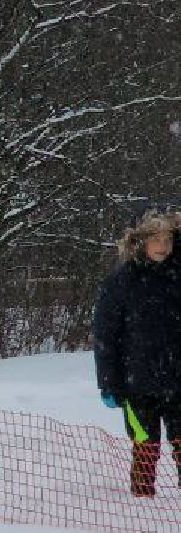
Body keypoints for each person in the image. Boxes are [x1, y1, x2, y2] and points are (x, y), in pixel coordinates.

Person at [93, 211, 181, 497]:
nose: (163, 246)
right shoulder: (122, 280)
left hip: (178, 381)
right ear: (140, 242)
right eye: (156, 239)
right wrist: (108, 382)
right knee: (146, 444)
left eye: (167, 238)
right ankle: (142, 499)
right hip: (137, 383)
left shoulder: (177, 272)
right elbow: (106, 335)